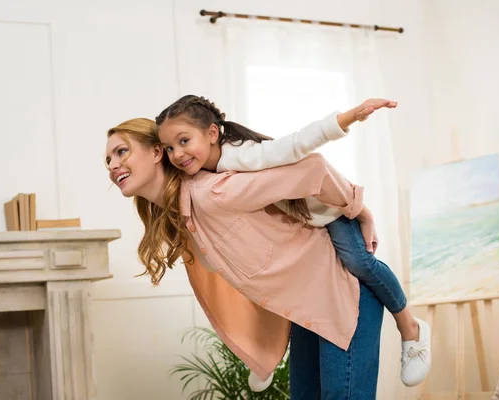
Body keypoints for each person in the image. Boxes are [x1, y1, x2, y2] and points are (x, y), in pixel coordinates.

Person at [155, 95, 431, 387]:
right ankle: (264, 355)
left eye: (184, 141)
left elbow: (299, 146)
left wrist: (348, 118)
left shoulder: (241, 156)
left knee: (359, 260)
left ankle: (410, 327)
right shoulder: (200, 180)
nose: (177, 154)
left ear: (212, 134)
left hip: (331, 211)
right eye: (169, 148)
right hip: (309, 224)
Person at [106, 118, 382, 397]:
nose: (112, 165)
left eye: (121, 152)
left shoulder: (210, 192)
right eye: (108, 159)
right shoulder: (181, 216)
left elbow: (312, 170)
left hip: (343, 289)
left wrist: (361, 211)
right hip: (307, 306)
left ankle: (409, 327)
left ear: (155, 152)